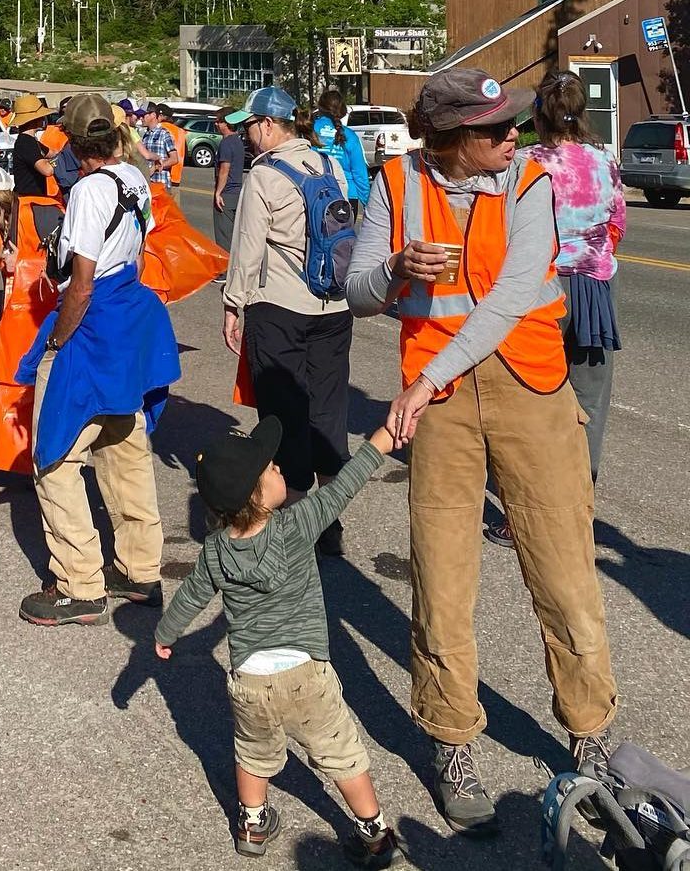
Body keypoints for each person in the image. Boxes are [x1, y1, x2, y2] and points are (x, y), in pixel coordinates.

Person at [346, 68, 616, 836]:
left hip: (525, 381)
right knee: (441, 572)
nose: (515, 138)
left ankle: (589, 729)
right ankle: (452, 739)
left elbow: (508, 296)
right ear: (453, 139)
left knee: (564, 565)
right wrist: (395, 271)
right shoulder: (395, 181)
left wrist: (424, 379)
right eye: (496, 129)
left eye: (514, 125)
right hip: (442, 404)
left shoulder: (529, 180)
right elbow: (354, 286)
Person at [155, 416, 404, 867]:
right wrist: (381, 441)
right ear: (256, 495)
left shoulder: (215, 550)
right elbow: (343, 486)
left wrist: (165, 634)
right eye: (270, 469)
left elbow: (191, 595)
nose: (279, 470)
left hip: (251, 680)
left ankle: (252, 825)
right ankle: (375, 833)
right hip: (308, 673)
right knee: (340, 754)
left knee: (252, 753)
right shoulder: (299, 523)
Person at [14, 93, 178, 626]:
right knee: (123, 441)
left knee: (55, 458)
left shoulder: (87, 190)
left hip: (95, 321)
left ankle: (79, 583)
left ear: (75, 144)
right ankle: (138, 569)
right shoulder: (135, 178)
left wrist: (57, 342)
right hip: (131, 316)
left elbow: (79, 284)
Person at [222, 88, 354, 557]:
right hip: (334, 307)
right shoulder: (328, 165)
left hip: (280, 307)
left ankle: (295, 519)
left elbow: (247, 250)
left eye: (248, 127)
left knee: (284, 415)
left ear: (266, 125)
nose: (247, 136)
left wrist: (234, 304)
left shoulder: (264, 176)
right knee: (328, 412)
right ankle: (330, 519)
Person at [525, 69, 624, 491]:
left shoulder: (526, 164)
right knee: (589, 396)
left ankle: (531, 503)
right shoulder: (605, 160)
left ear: (538, 114)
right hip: (595, 286)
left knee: (535, 395)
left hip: (540, 287)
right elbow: (618, 222)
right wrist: (593, 250)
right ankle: (579, 490)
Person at [0, 159, 59, 474]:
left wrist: (25, 262)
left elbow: (73, 260)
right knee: (15, 381)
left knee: (44, 388)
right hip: (20, 320)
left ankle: (46, 459)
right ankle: (23, 461)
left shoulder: (37, 212)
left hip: (52, 319)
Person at [314, 89, 371, 213]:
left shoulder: (309, 131)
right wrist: (367, 203)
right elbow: (360, 174)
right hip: (348, 197)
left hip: (315, 195)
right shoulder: (350, 136)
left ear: (320, 108)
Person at [7, 93, 57, 197]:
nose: (44, 118)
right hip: (28, 201)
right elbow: (47, 170)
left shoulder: (31, 141)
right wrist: (54, 163)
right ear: (34, 119)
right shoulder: (26, 143)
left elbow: (53, 153)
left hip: (31, 198)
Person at [212, 108, 245, 255]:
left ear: (227, 123)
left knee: (224, 234)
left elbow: (224, 169)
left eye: (219, 121)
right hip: (237, 192)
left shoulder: (226, 143)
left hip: (227, 192)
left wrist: (218, 192)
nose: (216, 124)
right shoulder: (237, 141)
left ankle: (225, 270)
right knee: (234, 232)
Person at [138, 103, 179, 190]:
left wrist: (156, 167)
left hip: (161, 184)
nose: (140, 118)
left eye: (143, 115)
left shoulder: (164, 133)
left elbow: (174, 159)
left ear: (153, 115)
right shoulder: (145, 135)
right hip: (148, 184)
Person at [158, 104, 188, 201]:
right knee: (174, 213)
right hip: (177, 177)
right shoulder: (181, 131)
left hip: (163, 176)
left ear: (161, 116)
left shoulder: (160, 128)